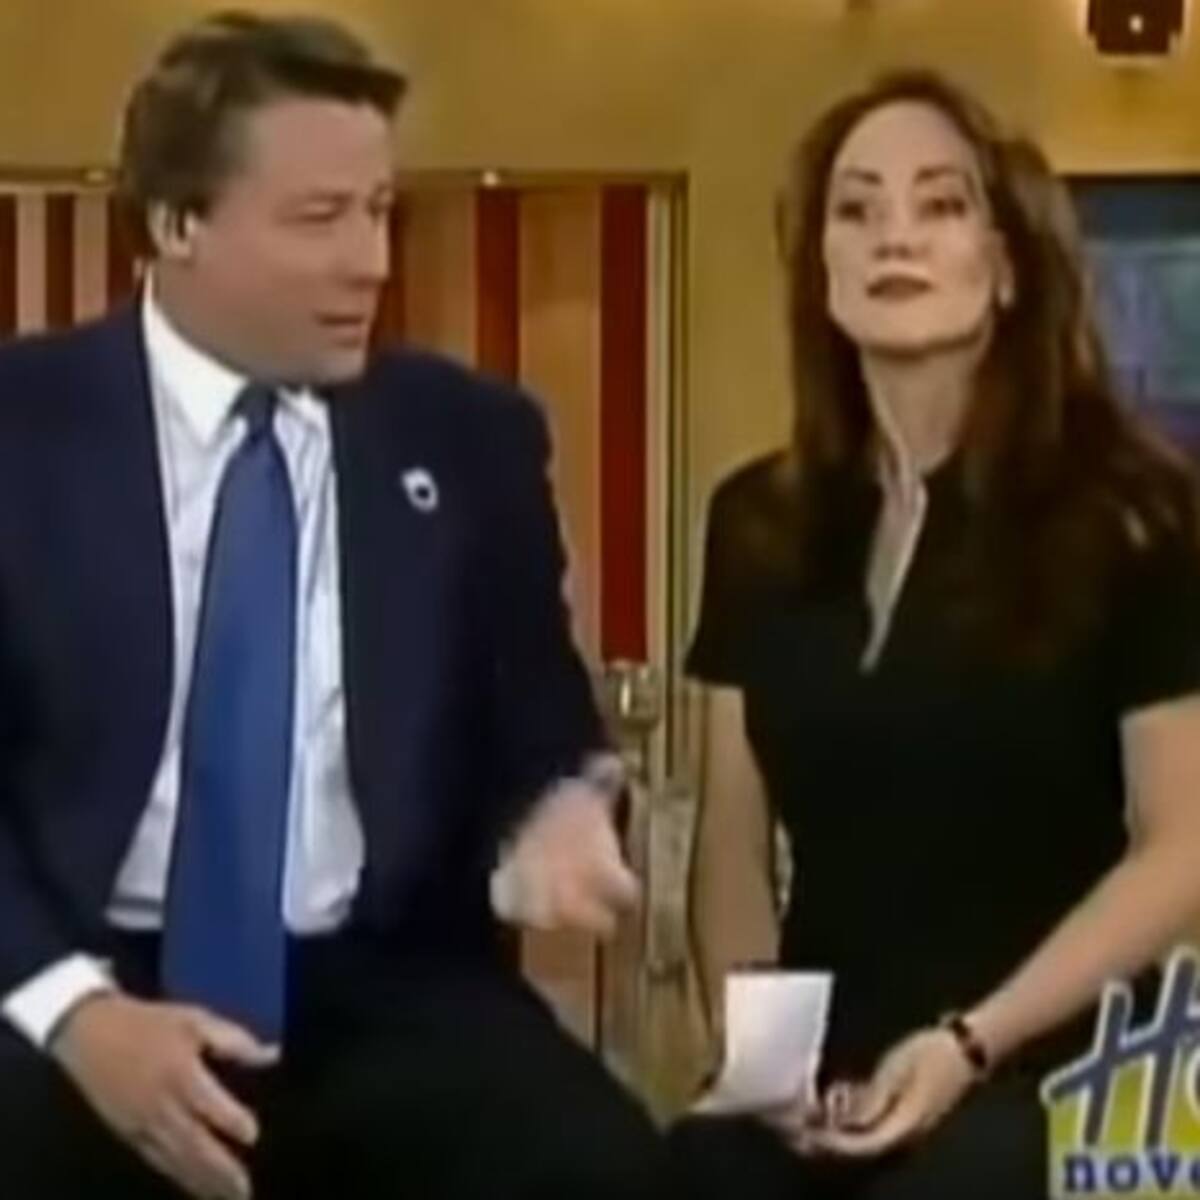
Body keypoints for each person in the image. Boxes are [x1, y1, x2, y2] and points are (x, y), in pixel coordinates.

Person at [0, 12, 665, 1200]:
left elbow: (541, 718)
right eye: (320, 219)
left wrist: (561, 808)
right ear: (177, 223)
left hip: (384, 985)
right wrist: (76, 1015)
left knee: (609, 1171)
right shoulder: (23, 429)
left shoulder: (468, 437)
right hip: (71, 973)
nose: (371, 262)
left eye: (380, 212)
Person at [670, 70, 1200, 1198]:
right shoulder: (755, 521)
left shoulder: (1134, 514)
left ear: (1007, 267)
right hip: (833, 1060)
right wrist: (766, 1070)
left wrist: (969, 1044)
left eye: (941, 204)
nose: (893, 236)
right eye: (856, 209)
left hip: (1064, 1054)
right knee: (693, 1175)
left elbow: (1183, 849)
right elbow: (731, 845)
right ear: (821, 271)